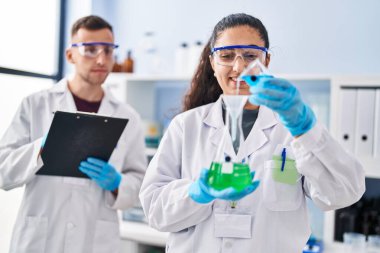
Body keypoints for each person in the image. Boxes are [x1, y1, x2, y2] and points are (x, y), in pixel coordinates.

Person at [139, 13, 366, 252]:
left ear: (266, 61)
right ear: (213, 63)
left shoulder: (290, 129)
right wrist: (197, 193)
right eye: (226, 56)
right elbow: (154, 211)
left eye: (250, 56)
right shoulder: (186, 127)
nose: (238, 67)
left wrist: (307, 130)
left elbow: (345, 191)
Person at [0, 15, 147, 253]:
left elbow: (140, 182)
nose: (101, 59)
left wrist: (118, 184)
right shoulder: (35, 105)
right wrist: (41, 148)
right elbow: (3, 171)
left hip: (96, 239)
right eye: (90, 50)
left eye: (108, 51)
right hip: (41, 238)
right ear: (70, 55)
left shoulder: (128, 117)